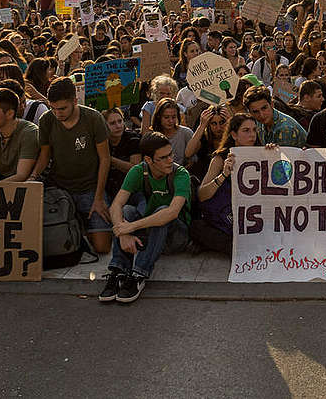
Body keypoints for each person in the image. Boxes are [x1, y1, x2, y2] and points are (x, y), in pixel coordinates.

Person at [98, 131, 192, 304]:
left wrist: (131, 227)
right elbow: (116, 205)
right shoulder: (138, 171)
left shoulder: (181, 174)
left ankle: (139, 273)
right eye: (163, 158)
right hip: (151, 233)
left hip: (176, 236)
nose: (170, 160)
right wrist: (123, 233)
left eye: (170, 154)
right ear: (148, 160)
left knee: (163, 210)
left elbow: (172, 212)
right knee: (126, 210)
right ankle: (118, 270)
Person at [31, 77, 112, 254]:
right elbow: (44, 156)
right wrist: (32, 178)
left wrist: (98, 198)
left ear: (74, 101)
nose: (57, 113)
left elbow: (105, 159)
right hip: (60, 189)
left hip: (90, 188)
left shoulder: (93, 118)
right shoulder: (46, 120)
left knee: (102, 247)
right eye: (53, 108)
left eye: (62, 108)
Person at [192, 113, 259, 255]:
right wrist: (223, 175)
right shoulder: (220, 158)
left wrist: (277, 155)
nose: (252, 135)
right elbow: (202, 195)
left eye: (254, 130)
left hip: (252, 217)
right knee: (198, 228)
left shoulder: (262, 154)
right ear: (234, 135)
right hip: (223, 217)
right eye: (246, 131)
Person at [104, 107, 142, 199]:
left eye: (120, 121)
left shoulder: (133, 139)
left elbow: (135, 169)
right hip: (107, 189)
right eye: (112, 123)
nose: (118, 126)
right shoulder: (101, 141)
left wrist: (109, 159)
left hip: (131, 190)